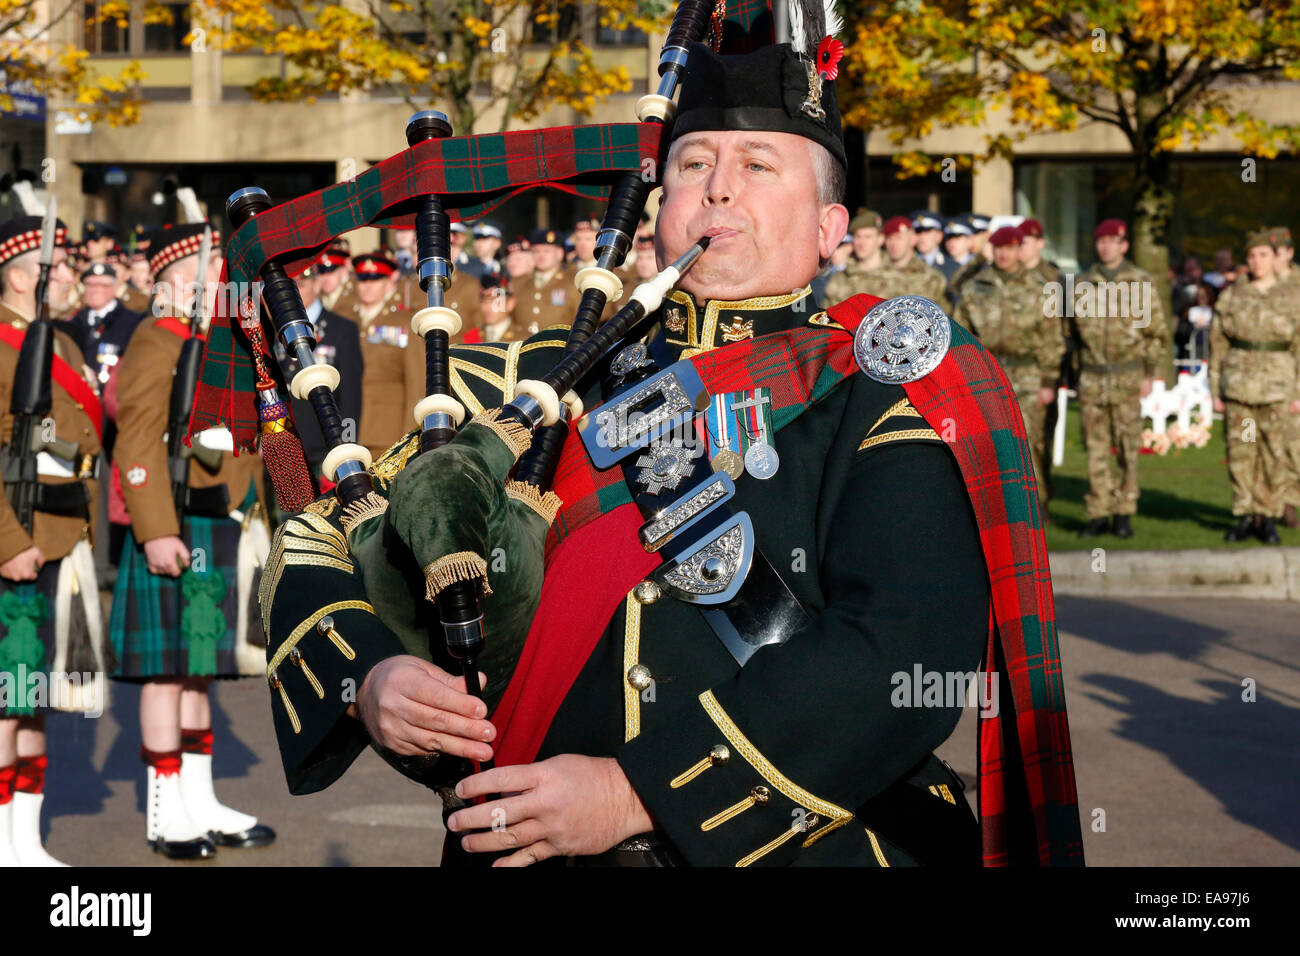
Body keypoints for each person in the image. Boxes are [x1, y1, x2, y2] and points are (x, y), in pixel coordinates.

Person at [255, 30, 1081, 868]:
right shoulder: (537, 380)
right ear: (658, 211)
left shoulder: (879, 387)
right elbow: (321, 532)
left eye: (758, 165)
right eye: (691, 165)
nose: (718, 188)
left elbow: (900, 651)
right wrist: (372, 679)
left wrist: (637, 792)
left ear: (831, 227)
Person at [110, 219, 275, 859]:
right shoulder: (158, 338)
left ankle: (198, 800)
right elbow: (137, 442)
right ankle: (164, 812)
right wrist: (154, 530)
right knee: (165, 673)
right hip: (174, 520)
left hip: (216, 518)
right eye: (206, 273)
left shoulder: (209, 341)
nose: (217, 283)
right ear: (175, 278)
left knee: (199, 670)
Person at [0, 213, 105, 866]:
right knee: (7, 699)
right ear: (17, 276)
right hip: (18, 537)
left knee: (33, 697)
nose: (71, 276)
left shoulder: (60, 344)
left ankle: (24, 844)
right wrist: (8, 540)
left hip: (62, 529)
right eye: (56, 267)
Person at [1071, 218, 1170, 538]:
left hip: (1128, 376)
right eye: (1101, 240)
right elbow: (1069, 333)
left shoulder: (1140, 282)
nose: (1106, 246)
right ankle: (1098, 511)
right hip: (1092, 377)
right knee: (1095, 446)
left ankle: (1124, 510)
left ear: (1124, 245)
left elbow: (1157, 333)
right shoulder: (1082, 284)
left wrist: (1149, 372)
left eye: (1113, 241)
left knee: (1127, 447)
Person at [954, 226, 1063, 514]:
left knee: (1030, 441)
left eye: (1010, 248)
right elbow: (961, 335)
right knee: (989, 440)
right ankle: (996, 505)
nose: (1004, 254)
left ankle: (1035, 504)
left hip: (1027, 373)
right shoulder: (975, 287)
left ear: (1018, 250)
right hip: (985, 374)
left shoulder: (1040, 288)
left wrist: (1048, 381)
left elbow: (1052, 338)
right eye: (998, 248)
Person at [1210, 232, 1300, 544]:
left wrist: (1298, 391)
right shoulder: (1233, 295)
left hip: (1277, 386)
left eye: (1263, 254)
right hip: (1239, 388)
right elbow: (1218, 344)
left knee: (1274, 454)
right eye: (1251, 256)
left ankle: (1269, 515)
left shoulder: (1292, 296)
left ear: (1275, 257)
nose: (1256, 261)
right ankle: (1245, 514)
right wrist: (1214, 390)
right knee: (1242, 452)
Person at [276, 267, 364, 481]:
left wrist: (347, 447)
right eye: (290, 287)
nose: (295, 292)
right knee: (287, 513)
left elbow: (351, 396)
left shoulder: (341, 329)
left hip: (326, 443)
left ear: (316, 285)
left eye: (302, 285)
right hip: (285, 444)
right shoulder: (275, 329)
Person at [336, 251, 418, 458]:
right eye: (363, 279)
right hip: (344, 429)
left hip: (387, 431)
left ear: (390, 281)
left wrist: (410, 436)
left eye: (376, 278)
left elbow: (416, 382)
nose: (368, 285)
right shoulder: (341, 318)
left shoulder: (404, 323)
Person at [1267, 226, 1300, 528]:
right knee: (1272, 444)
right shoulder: (1261, 286)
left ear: (1289, 253)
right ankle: (1278, 505)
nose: (1273, 259)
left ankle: (1289, 502)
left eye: (1277, 252)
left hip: (1296, 377)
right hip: (1270, 378)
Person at [509, 228, 575, 333]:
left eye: (547, 251)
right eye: (536, 251)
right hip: (523, 346)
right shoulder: (518, 283)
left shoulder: (573, 283)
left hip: (558, 346)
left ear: (560, 254)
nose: (541, 255)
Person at [822, 207, 883, 304]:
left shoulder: (899, 276)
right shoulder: (841, 276)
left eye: (868, 237)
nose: (862, 243)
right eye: (858, 237)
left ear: (880, 239)